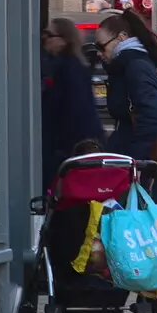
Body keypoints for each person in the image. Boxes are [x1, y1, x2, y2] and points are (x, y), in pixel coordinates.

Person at [97, 9, 157, 208]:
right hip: (138, 159)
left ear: (122, 38)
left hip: (144, 163)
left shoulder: (135, 66)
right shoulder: (128, 64)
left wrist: (137, 164)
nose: (100, 53)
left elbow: (150, 117)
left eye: (102, 46)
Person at [41, 17, 104, 188]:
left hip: (68, 149)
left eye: (48, 34)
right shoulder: (67, 65)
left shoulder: (67, 68)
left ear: (63, 39)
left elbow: (76, 110)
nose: (43, 38)